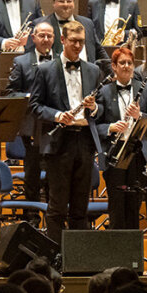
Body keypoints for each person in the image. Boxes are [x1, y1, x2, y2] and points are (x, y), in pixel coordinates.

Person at [29, 21, 104, 248]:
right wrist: (57, 115)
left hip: (84, 140)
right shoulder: (44, 70)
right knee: (58, 206)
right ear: (62, 40)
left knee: (80, 206)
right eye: (73, 41)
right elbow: (34, 106)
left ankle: (79, 258)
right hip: (59, 142)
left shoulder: (93, 70)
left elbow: (100, 107)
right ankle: (56, 257)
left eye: (81, 41)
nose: (78, 46)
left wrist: (94, 108)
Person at [94, 47, 147, 231]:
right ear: (113, 66)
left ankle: (132, 255)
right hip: (114, 154)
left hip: (138, 153)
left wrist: (141, 116)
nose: (127, 66)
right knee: (116, 204)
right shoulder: (105, 92)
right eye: (122, 63)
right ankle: (117, 252)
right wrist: (110, 128)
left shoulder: (146, 89)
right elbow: (95, 126)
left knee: (134, 202)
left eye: (130, 63)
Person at [34, 0, 103, 63]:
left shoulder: (88, 23)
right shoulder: (40, 24)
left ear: (74, 3)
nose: (66, 5)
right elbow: (31, 56)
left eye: (69, 1)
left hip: (87, 73)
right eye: (61, 1)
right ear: (54, 3)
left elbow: (99, 51)